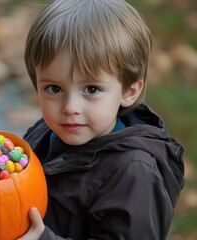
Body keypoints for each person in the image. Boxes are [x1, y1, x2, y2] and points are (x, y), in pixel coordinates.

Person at [18, 0, 185, 239]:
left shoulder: (134, 173)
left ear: (129, 91)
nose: (70, 108)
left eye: (92, 89)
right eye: (54, 88)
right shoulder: (43, 133)